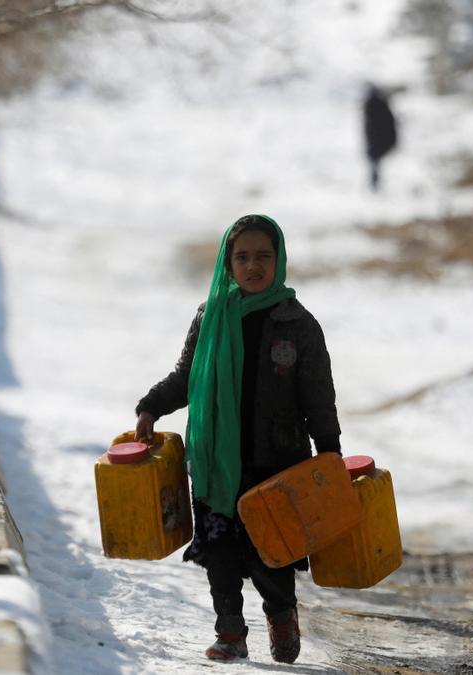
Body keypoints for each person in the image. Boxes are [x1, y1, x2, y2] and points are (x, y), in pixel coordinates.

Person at [134, 214, 341, 664]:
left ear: (279, 260)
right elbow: (186, 376)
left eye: (263, 257)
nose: (253, 266)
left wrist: (329, 452)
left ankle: (281, 613)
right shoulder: (210, 317)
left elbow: (318, 395)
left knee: (273, 553)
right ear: (228, 264)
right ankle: (230, 631)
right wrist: (150, 406)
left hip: (277, 461)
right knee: (220, 553)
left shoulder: (298, 323)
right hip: (215, 460)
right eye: (242, 257)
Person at [362, 84, 398, 191]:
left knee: (375, 164)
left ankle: (375, 185)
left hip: (375, 141)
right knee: (375, 164)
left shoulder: (373, 106)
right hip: (375, 141)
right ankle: (375, 186)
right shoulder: (378, 106)